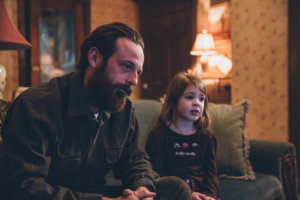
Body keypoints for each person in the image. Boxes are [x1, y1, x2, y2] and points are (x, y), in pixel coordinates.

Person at [0, 22, 191, 200]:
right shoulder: (36, 105)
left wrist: (142, 188)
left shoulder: (123, 110)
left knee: (176, 188)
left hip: (97, 194)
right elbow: (23, 186)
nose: (134, 80)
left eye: (137, 72)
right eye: (127, 67)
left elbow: (136, 160)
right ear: (94, 58)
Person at [146, 72, 218, 200]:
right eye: (190, 97)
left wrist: (211, 196)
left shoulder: (207, 137)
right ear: (173, 100)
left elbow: (211, 174)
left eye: (201, 99)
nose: (197, 103)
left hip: (202, 195)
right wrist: (188, 195)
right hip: (175, 193)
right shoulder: (158, 136)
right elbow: (157, 175)